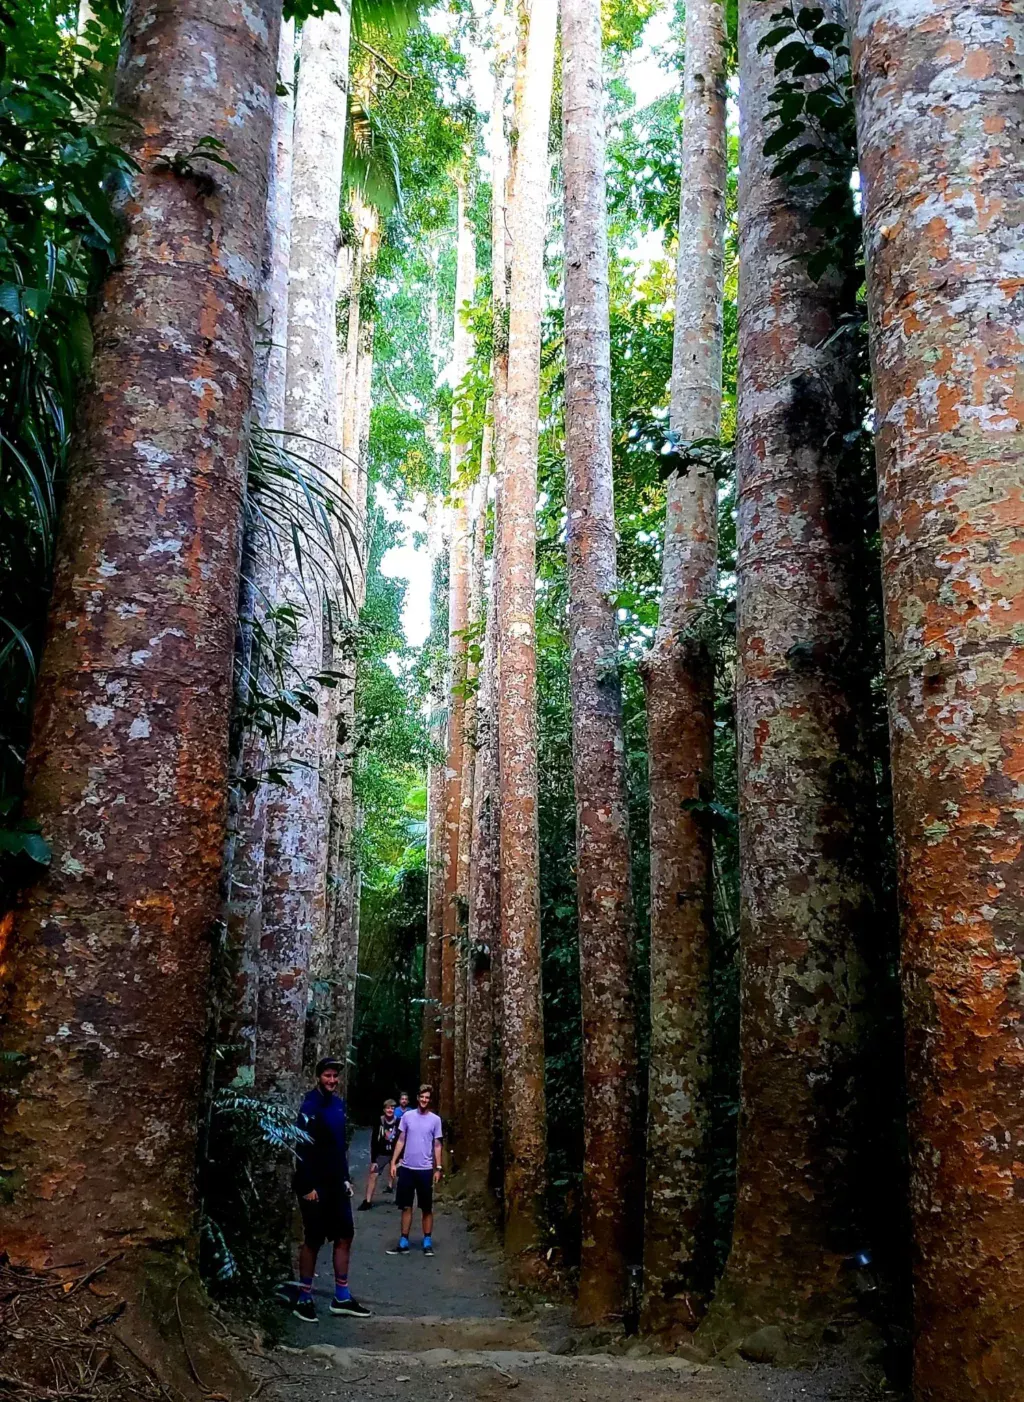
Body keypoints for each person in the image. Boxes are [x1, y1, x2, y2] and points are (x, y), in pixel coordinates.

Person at [292, 1056, 372, 1322]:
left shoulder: (338, 1105)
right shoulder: (310, 1104)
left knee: (345, 1235)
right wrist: (305, 1185)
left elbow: (340, 1146)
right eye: (327, 1075)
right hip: (313, 1185)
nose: (332, 1080)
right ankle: (304, 1298)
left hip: (336, 1184)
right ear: (319, 1077)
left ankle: (342, 1296)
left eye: (335, 1076)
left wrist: (346, 1178)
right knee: (313, 1239)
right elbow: (300, 1147)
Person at [386, 1084, 443, 1257]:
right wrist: (394, 1162)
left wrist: (438, 1168)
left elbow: (437, 1144)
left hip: (425, 1169)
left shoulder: (435, 1120)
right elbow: (401, 1139)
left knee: (426, 1207)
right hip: (408, 1168)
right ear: (417, 1098)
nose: (424, 1100)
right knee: (406, 1206)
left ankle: (427, 1241)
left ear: (429, 1100)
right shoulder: (407, 1117)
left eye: (427, 1098)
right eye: (422, 1097)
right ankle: (404, 1241)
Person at [358, 1098, 400, 1210]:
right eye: (388, 1108)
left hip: (395, 1152)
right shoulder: (379, 1121)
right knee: (373, 1174)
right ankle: (367, 1200)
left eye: (392, 1108)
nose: (390, 1110)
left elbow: (402, 1139)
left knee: (401, 1174)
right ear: (384, 1109)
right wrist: (373, 1160)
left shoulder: (398, 1122)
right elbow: (374, 1141)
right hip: (382, 1153)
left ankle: (401, 1199)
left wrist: (400, 1157)